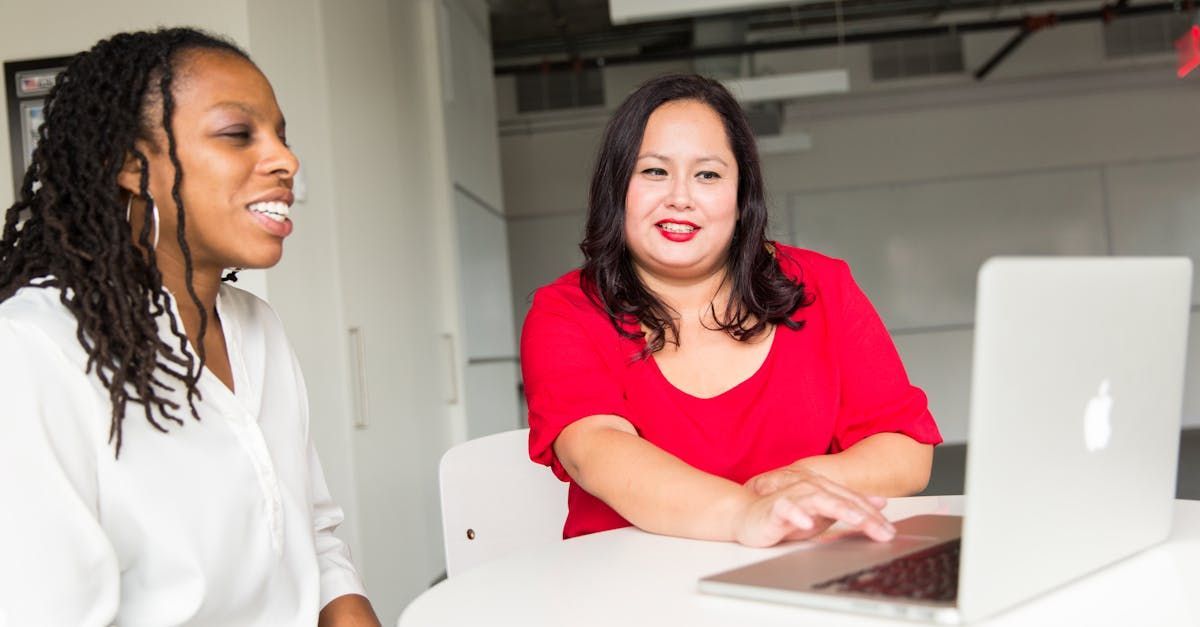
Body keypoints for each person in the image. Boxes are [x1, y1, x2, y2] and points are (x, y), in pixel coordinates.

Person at [0, 28, 379, 626]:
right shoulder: (31, 350)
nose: (286, 160)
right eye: (237, 134)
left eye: (282, 136)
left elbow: (316, 542)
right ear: (129, 164)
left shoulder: (258, 328)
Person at [520, 74, 942, 547]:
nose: (680, 197)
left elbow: (905, 452)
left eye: (708, 174)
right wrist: (745, 512)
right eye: (654, 171)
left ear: (742, 198)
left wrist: (789, 487)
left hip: (798, 573)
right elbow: (595, 450)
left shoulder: (822, 286)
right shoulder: (566, 313)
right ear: (616, 188)